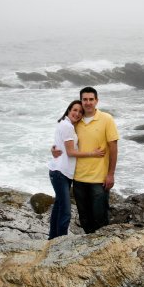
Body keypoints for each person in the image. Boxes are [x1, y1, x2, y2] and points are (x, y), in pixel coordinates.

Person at [52, 87, 119, 234]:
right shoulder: (76, 122)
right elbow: (64, 139)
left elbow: (113, 147)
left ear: (96, 101)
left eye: (91, 99)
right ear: (81, 101)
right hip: (78, 178)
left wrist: (111, 174)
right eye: (85, 99)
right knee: (84, 219)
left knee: (100, 218)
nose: (88, 103)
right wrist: (53, 148)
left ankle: (103, 251)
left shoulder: (106, 119)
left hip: (98, 179)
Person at [48, 100, 105, 239]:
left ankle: (52, 239)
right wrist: (93, 153)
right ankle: (60, 242)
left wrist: (53, 149)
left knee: (58, 207)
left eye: (80, 112)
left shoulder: (65, 124)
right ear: (68, 110)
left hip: (60, 172)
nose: (77, 113)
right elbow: (70, 152)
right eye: (75, 110)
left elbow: (58, 146)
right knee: (66, 212)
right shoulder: (67, 126)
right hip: (60, 173)